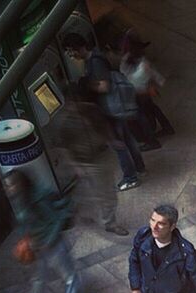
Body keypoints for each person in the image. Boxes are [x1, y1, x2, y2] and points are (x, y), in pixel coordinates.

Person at [61, 32, 146, 191]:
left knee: (118, 144)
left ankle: (130, 177)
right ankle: (139, 167)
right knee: (127, 139)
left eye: (69, 50)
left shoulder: (95, 62)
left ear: (76, 48)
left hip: (110, 109)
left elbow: (104, 86)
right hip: (115, 107)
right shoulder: (95, 58)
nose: (70, 55)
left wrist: (85, 84)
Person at [4, 170, 87, 293]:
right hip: (37, 245)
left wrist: (48, 240)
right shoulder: (20, 199)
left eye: (12, 185)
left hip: (52, 243)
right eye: (8, 186)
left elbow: (55, 220)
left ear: (21, 183)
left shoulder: (38, 198)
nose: (9, 189)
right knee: (37, 279)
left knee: (68, 274)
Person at [50, 91, 129, 236]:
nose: (75, 107)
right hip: (84, 161)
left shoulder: (91, 109)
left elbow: (104, 125)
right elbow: (63, 147)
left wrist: (111, 140)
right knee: (94, 193)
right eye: (71, 104)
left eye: (77, 102)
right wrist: (75, 165)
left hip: (100, 156)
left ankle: (109, 222)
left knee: (107, 192)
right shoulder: (63, 122)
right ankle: (100, 219)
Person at [120, 29, 174, 143]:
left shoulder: (128, 58)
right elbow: (150, 71)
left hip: (140, 91)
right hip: (145, 88)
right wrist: (158, 81)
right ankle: (166, 128)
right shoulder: (139, 55)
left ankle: (151, 139)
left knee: (142, 113)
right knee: (151, 108)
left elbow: (130, 76)